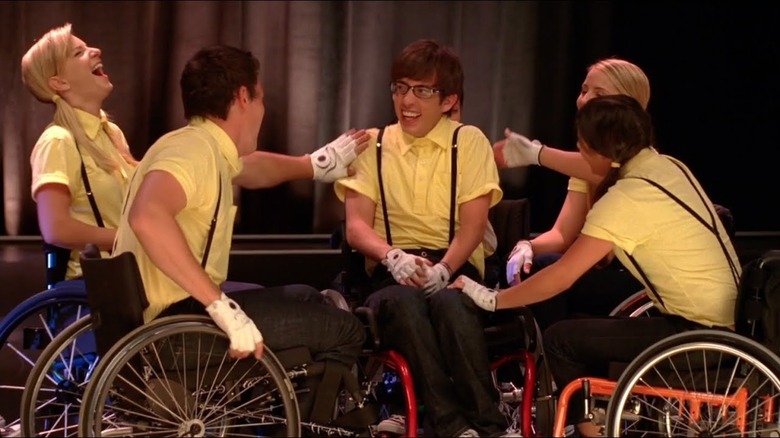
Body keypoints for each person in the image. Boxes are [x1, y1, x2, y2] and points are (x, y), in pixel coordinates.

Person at [453, 94, 741, 436]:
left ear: (601, 152)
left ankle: (590, 432)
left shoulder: (625, 200)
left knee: (561, 340)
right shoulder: (667, 166)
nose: (579, 154)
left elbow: (562, 274)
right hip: (729, 319)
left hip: (697, 333)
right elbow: (597, 167)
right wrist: (535, 154)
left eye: (582, 147)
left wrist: (491, 297)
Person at [113, 44, 367, 409]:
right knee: (344, 329)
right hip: (173, 331)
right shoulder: (194, 151)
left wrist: (313, 165)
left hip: (165, 321)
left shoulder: (194, 144)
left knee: (304, 295)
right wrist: (221, 307)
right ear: (243, 97)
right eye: (261, 98)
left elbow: (252, 168)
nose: (264, 110)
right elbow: (147, 215)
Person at [335, 39, 508, 437]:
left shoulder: (468, 141)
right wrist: (393, 257)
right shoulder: (372, 146)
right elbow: (357, 227)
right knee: (406, 304)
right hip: (390, 274)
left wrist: (445, 268)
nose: (407, 101)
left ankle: (489, 424)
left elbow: (472, 227)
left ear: (448, 100)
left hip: (457, 265)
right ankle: (453, 427)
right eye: (400, 88)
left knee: (452, 304)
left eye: (422, 91)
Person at [493, 58, 649, 330]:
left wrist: (535, 154)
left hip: (639, 281)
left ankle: (553, 356)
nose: (584, 100)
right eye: (584, 90)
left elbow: (605, 170)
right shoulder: (585, 162)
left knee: (548, 270)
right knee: (528, 266)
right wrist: (527, 246)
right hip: (598, 269)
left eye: (599, 94)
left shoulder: (641, 161)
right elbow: (563, 233)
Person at [22, 23, 138, 283]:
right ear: (59, 82)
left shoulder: (112, 134)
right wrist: (128, 238)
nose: (96, 51)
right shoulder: (57, 141)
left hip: (134, 277)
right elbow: (56, 229)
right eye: (79, 52)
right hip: (95, 290)